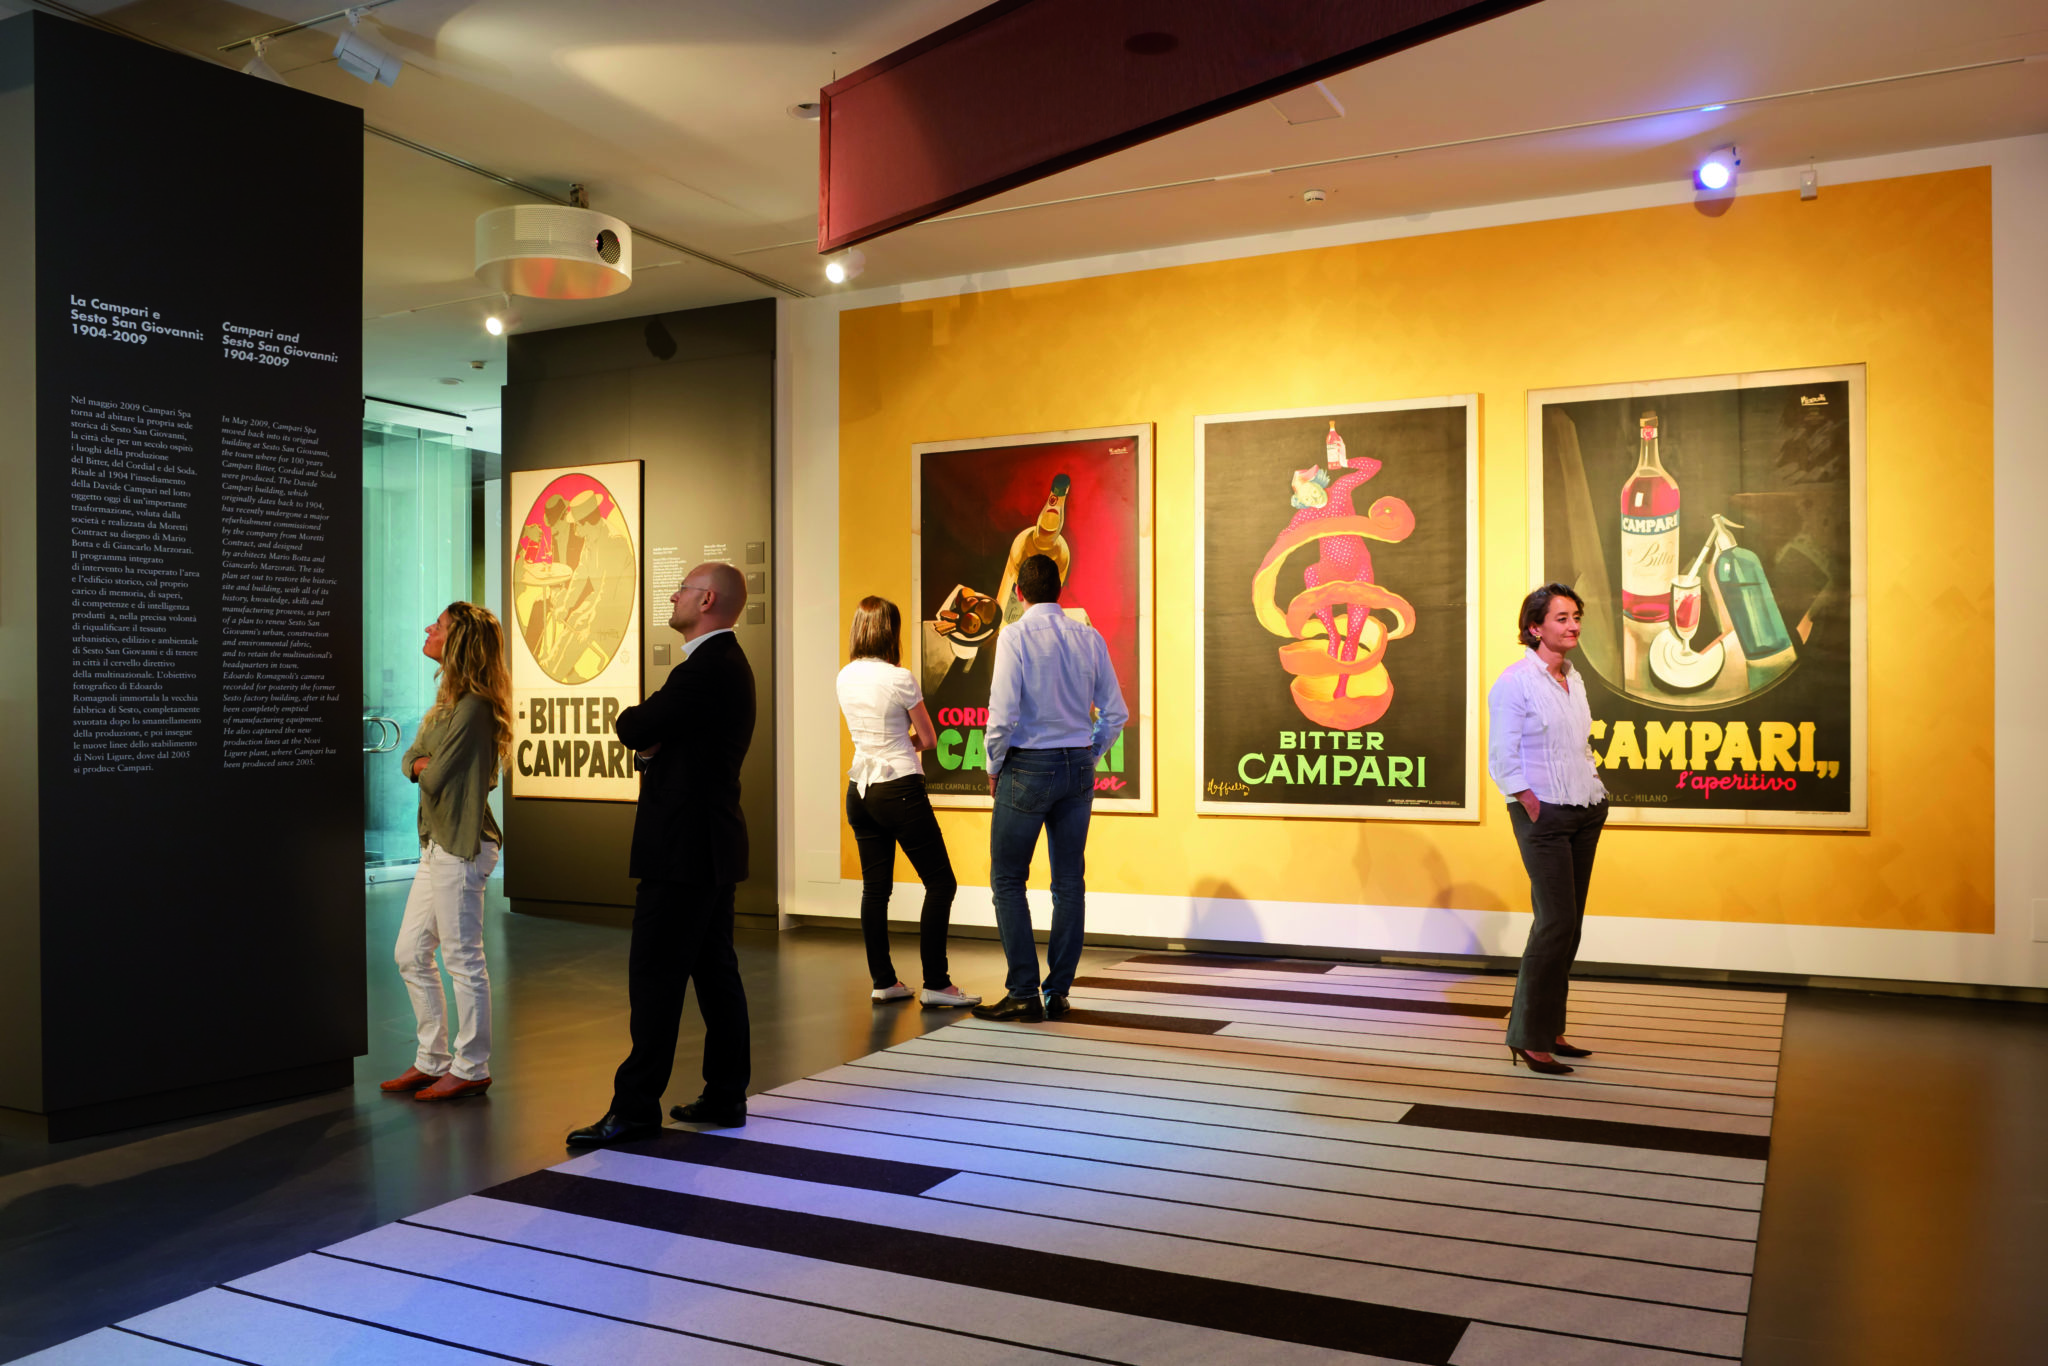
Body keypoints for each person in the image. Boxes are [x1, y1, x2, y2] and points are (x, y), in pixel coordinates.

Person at [567, 562, 757, 1145]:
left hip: (683, 851)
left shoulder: (705, 669)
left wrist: (649, 740)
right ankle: (725, 1094)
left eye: (681, 590)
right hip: (707, 847)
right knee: (715, 973)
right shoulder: (723, 666)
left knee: (655, 978)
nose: (672, 598)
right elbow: (659, 739)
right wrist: (655, 744)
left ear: (706, 600)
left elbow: (635, 725)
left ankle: (635, 1109)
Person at [971, 554, 1128, 1022]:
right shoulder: (1089, 637)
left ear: (1019, 593)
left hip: (1028, 766)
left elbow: (1002, 715)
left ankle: (1023, 991)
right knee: (1069, 883)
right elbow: (1116, 713)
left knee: (1007, 879)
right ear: (1060, 589)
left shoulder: (1014, 636)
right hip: (1077, 765)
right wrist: (1089, 754)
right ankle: (1057, 992)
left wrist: (993, 765)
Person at [381, 602, 513, 1101]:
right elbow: (412, 757)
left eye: (437, 625)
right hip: (437, 843)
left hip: (462, 844)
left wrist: (421, 764)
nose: (427, 628)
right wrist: (420, 763)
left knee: (463, 959)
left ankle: (472, 1067)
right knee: (410, 953)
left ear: (458, 641)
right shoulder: (448, 702)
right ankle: (432, 1060)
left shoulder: (474, 708)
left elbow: (431, 775)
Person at [1489, 582, 1608, 1076]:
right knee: (1554, 922)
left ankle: (1551, 1028)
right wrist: (1530, 801)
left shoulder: (1573, 679)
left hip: (1585, 809)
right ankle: (1529, 1036)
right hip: (1544, 815)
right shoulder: (1515, 682)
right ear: (1535, 628)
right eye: (1562, 618)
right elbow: (1502, 757)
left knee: (1569, 925)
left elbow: (1576, 745)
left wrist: (1595, 786)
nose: (1573, 625)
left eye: (1576, 616)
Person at [836, 596, 979, 1009]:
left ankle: (884, 982)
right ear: (891, 631)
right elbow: (929, 739)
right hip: (899, 788)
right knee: (941, 883)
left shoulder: (845, 676)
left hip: (860, 790)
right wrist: (904, 743)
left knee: (875, 890)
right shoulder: (900, 678)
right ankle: (937, 983)